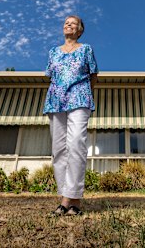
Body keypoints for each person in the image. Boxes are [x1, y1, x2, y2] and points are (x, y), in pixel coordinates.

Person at [43, 15, 98, 216]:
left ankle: (69, 200)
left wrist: (84, 95)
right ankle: (70, 199)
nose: (68, 24)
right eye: (66, 22)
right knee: (58, 149)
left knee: (75, 143)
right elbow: (52, 76)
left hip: (80, 98)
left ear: (80, 30)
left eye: (73, 23)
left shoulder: (86, 49)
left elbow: (93, 75)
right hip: (55, 100)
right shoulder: (53, 52)